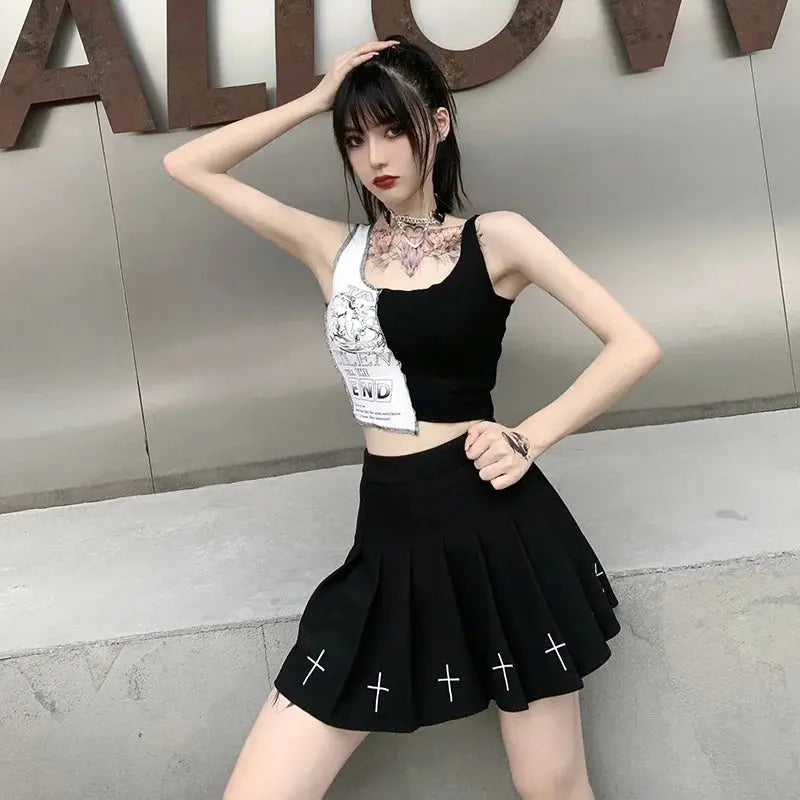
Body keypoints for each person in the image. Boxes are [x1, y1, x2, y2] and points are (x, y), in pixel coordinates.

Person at [164, 35, 662, 800]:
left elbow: (634, 344)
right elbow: (187, 165)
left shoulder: (497, 238)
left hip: (496, 526)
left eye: (394, 129)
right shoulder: (333, 251)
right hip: (388, 540)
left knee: (552, 786)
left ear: (439, 124)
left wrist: (530, 435)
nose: (375, 156)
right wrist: (316, 99)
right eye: (354, 138)